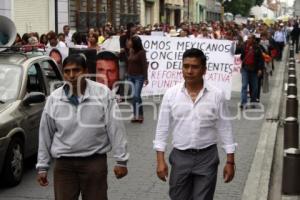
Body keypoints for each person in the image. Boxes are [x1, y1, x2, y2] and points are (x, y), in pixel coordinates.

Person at [36, 54, 129, 200]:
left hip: (94, 163)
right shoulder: (54, 98)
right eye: (67, 71)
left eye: (76, 70)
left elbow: (116, 128)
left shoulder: (103, 94)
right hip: (64, 165)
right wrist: (42, 166)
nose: (71, 75)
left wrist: (121, 160)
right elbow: (45, 133)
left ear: (85, 71)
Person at [153, 48, 236, 200]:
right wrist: (160, 161)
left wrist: (230, 161)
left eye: (195, 67)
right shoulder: (171, 94)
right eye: (186, 66)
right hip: (180, 157)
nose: (189, 71)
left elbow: (225, 128)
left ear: (204, 69)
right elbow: (162, 129)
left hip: (207, 157)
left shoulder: (217, 95)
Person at [236, 34, 264, 109]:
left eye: (250, 38)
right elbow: (236, 51)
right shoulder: (243, 46)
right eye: (247, 38)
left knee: (254, 87)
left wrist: (260, 69)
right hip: (245, 69)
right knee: (244, 85)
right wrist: (231, 45)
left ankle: (253, 102)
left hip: (254, 70)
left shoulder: (257, 48)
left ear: (253, 39)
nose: (248, 39)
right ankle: (243, 103)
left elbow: (261, 59)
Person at [127, 36, 148, 123]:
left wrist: (146, 78)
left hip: (139, 77)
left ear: (135, 43)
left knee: (136, 96)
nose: (129, 42)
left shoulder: (142, 52)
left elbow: (144, 65)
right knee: (134, 97)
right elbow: (130, 62)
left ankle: (140, 115)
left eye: (130, 41)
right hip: (130, 76)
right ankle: (136, 115)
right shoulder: (131, 51)